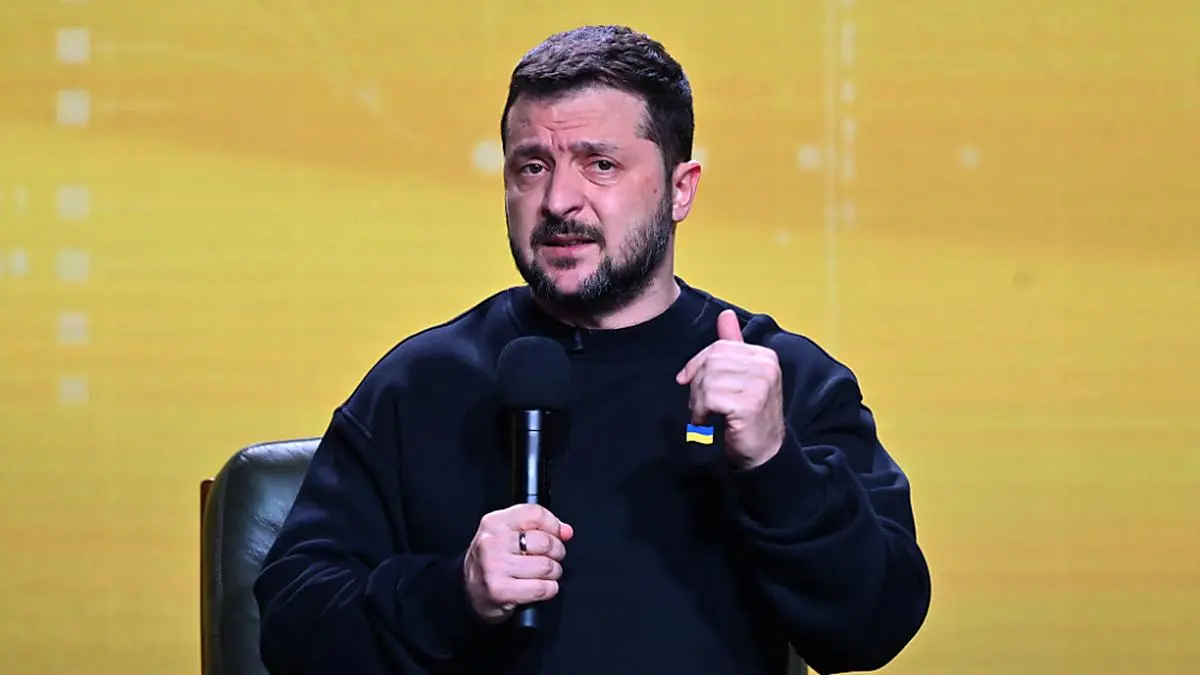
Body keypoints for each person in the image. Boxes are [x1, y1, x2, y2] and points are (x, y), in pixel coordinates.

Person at [253, 24, 931, 675]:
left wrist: (773, 463)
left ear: (680, 189)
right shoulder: (420, 383)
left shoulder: (780, 383)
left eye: (599, 165)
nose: (558, 201)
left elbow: (873, 627)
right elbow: (292, 629)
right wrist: (454, 593)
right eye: (532, 167)